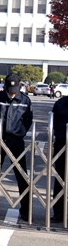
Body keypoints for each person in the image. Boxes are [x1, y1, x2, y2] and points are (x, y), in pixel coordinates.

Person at [0, 74, 33, 221]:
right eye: (10, 88)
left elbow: (28, 120)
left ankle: (26, 210)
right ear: (4, 85)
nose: (12, 91)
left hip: (16, 141)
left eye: (15, 88)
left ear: (20, 85)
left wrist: (20, 132)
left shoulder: (25, 100)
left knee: (21, 175)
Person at [51, 94, 67, 223]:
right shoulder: (60, 104)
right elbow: (54, 124)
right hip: (62, 144)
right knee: (60, 178)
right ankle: (58, 212)